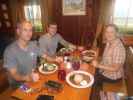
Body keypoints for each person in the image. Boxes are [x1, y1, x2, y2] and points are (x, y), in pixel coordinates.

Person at [90, 24, 126, 100]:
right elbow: (105, 57)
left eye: (111, 32)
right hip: (105, 70)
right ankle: (97, 90)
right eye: (107, 32)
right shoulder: (109, 42)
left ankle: (95, 95)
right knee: (89, 68)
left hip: (113, 76)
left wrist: (98, 65)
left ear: (116, 33)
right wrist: (96, 57)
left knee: (91, 78)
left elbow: (115, 68)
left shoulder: (118, 48)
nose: (108, 34)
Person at [4, 21, 40, 88]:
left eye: (30, 30)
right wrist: (28, 78)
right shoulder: (10, 51)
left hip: (34, 78)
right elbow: (14, 74)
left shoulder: (33, 44)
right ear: (18, 31)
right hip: (19, 84)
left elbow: (44, 55)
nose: (28, 33)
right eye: (25, 30)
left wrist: (56, 59)